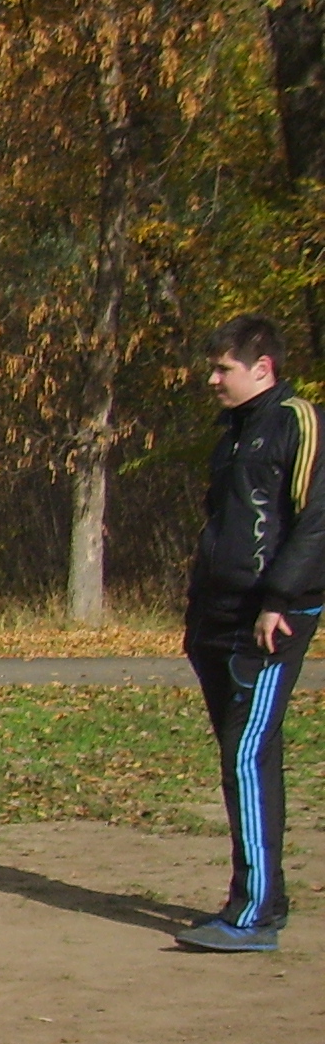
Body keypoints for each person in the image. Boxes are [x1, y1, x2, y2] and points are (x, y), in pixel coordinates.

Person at [176, 314, 325, 953]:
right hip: (218, 615)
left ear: (261, 366)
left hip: (272, 620)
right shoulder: (232, 435)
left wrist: (278, 600)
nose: (212, 379)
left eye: (223, 368)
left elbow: (316, 520)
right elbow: (223, 528)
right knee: (243, 757)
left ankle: (256, 914)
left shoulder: (298, 421)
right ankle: (260, 896)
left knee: (246, 752)